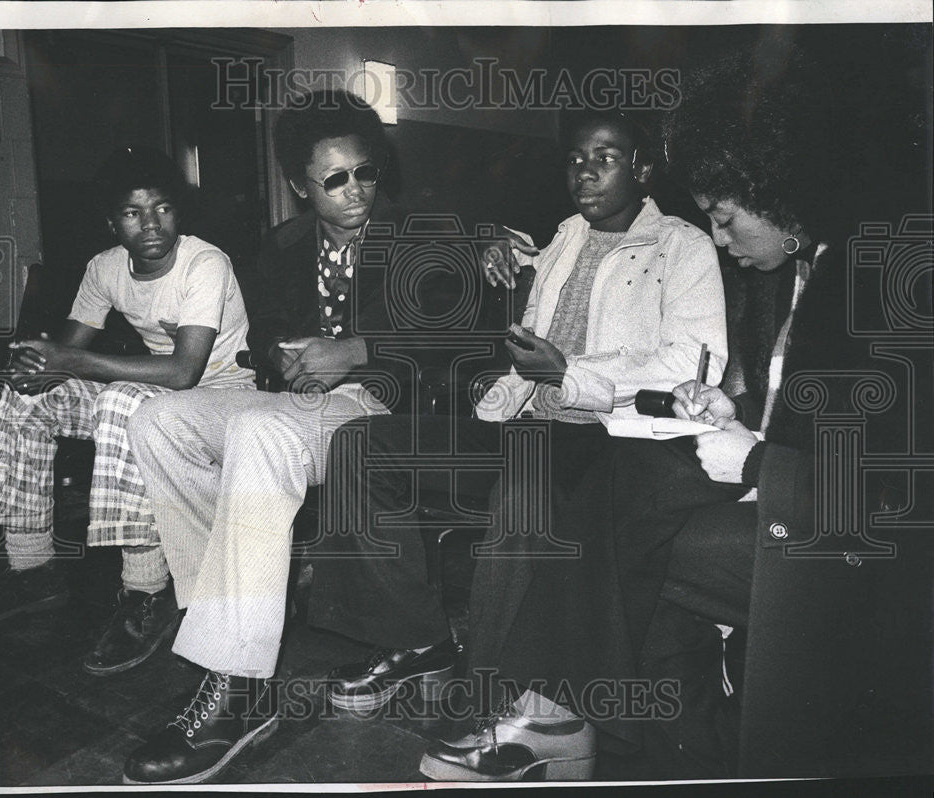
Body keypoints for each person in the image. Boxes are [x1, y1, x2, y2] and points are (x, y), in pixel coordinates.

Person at [418, 48, 917, 781]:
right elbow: (797, 409)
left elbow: (884, 494)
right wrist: (734, 410)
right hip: (763, 478)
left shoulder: (878, 288)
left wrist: (753, 458)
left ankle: (556, 716)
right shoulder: (808, 267)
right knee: (624, 482)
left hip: (845, 547)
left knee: (613, 513)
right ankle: (642, 739)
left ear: (779, 192)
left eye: (725, 215)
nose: (718, 237)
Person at [308, 109, 729, 716]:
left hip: (614, 440)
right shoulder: (564, 236)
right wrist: (503, 391)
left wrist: (569, 376)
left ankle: (494, 696)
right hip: (530, 425)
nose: (584, 173)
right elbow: (528, 332)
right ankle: (414, 639)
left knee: (523, 486)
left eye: (604, 158)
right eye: (575, 160)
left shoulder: (681, 246)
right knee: (361, 442)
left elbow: (694, 363)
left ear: (643, 169)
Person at [120, 89, 438, 786]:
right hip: (295, 401)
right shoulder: (283, 245)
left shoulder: (420, 235)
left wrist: (352, 351)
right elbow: (262, 334)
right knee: (155, 418)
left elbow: (447, 334)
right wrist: (284, 356)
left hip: (383, 407)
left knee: (262, 432)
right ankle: (225, 627)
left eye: (365, 172)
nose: (355, 190)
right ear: (300, 186)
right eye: (334, 179)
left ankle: (236, 683)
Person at [0, 148, 255, 679]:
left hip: (223, 402)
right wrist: (37, 367)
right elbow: (66, 353)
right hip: (161, 396)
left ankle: (146, 591)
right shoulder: (105, 267)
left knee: (122, 399)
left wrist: (75, 360)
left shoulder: (206, 262)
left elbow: (183, 371)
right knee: (29, 398)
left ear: (180, 212)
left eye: (162, 208)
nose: (151, 223)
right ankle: (32, 567)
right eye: (133, 213)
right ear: (113, 222)